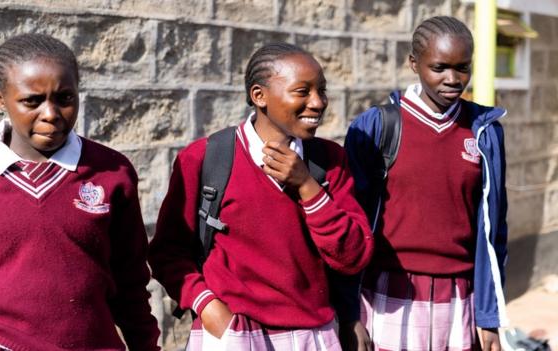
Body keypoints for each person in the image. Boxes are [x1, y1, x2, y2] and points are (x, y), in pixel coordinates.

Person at [0, 33, 160, 350]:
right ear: (0, 98)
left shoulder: (112, 171)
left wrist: (146, 345)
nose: (51, 114)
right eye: (32, 101)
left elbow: (131, 280)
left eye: (65, 98)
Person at [148, 43, 374, 350]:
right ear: (259, 96)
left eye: (322, 90)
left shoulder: (330, 161)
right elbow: (167, 253)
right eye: (302, 91)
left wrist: (308, 187)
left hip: (313, 336)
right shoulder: (207, 158)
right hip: (233, 334)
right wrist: (209, 309)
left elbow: (353, 256)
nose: (318, 102)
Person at [341, 16, 508, 351]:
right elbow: (349, 224)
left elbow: (493, 231)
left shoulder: (484, 131)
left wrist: (489, 316)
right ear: (414, 64)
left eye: (463, 67)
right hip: (387, 293)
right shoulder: (377, 127)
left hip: (460, 296)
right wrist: (348, 312)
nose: (453, 79)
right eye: (440, 67)